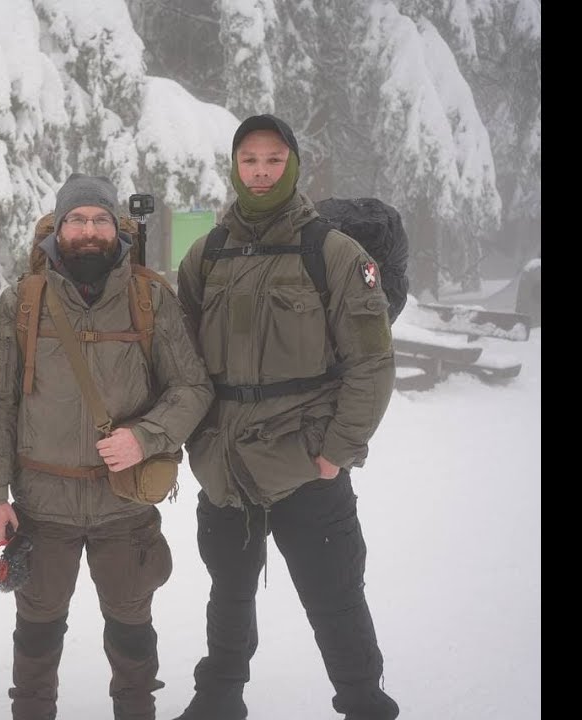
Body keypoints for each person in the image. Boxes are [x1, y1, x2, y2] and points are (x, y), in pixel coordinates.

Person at [172, 114, 400, 720]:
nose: (262, 172)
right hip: (226, 467)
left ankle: (363, 701)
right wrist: (194, 440)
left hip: (306, 463)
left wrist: (336, 450)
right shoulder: (206, 253)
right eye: (250, 160)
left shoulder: (333, 252)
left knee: (335, 597)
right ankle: (219, 696)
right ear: (235, 167)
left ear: (292, 165)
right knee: (229, 592)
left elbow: (372, 362)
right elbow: (181, 358)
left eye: (274, 160)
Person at [0, 173, 214, 720]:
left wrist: (145, 437)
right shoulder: (21, 302)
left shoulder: (149, 297)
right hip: (41, 507)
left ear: (117, 228)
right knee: (36, 635)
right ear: (58, 229)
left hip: (124, 506)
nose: (88, 230)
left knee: (132, 635)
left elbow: (193, 388)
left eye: (99, 219)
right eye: (76, 219)